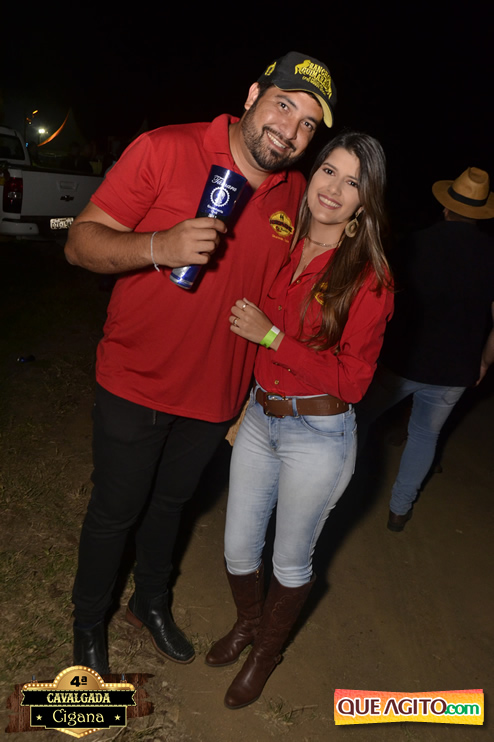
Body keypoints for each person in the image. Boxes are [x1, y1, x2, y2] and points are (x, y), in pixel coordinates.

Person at [64, 51, 337, 675]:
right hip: (136, 381)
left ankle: (149, 603)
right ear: (252, 95)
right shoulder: (165, 148)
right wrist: (158, 245)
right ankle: (88, 622)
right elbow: (79, 242)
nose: (291, 130)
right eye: (284, 105)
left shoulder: (295, 192)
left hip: (216, 396)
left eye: (307, 124)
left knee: (172, 507)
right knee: (116, 512)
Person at [205, 131, 394, 709]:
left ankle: (266, 653)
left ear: (365, 201)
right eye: (328, 171)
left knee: (289, 558)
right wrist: (244, 400)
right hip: (260, 418)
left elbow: (354, 381)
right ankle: (248, 623)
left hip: (318, 435)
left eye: (352, 182)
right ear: (312, 174)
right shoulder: (283, 244)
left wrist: (272, 338)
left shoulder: (370, 277)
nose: (333, 188)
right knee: (238, 547)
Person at [356, 166, 494, 532]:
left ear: (445, 207)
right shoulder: (491, 256)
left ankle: (341, 490)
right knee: (425, 436)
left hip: (401, 361)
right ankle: (399, 510)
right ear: (480, 215)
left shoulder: (415, 244)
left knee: (359, 420)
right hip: (455, 371)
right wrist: (483, 362)